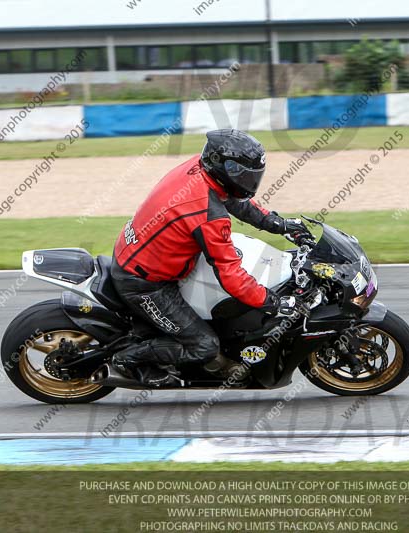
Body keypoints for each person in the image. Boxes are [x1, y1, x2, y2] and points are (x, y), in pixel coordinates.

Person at [109, 129, 311, 386]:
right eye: (241, 173)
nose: (248, 180)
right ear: (221, 166)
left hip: (143, 254)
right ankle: (125, 359)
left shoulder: (199, 168)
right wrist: (273, 302)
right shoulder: (208, 215)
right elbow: (231, 275)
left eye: (250, 174)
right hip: (144, 283)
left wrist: (278, 223)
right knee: (204, 346)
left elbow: (234, 200)